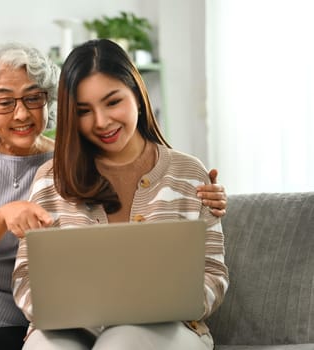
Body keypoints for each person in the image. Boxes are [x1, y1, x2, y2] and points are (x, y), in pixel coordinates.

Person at [0, 42, 226, 350]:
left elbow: (208, 264)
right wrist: (5, 215)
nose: (21, 113)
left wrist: (212, 198)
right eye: (4, 102)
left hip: (46, 321)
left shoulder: (73, 161)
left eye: (32, 99)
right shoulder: (25, 169)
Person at [12, 39, 229, 350]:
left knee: (121, 343)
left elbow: (213, 273)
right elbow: (25, 276)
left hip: (168, 329)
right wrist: (54, 310)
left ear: (138, 97)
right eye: (84, 111)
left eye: (113, 102)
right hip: (70, 329)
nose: (101, 122)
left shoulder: (188, 173)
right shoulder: (51, 180)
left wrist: (169, 304)